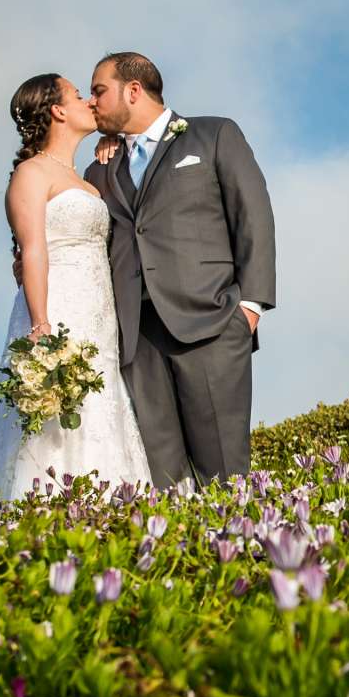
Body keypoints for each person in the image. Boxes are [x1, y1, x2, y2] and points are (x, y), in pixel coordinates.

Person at [82, 51, 277, 488]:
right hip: (136, 339)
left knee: (225, 476)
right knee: (161, 481)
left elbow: (253, 216)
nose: (91, 101)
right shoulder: (99, 169)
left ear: (133, 89)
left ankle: (240, 553)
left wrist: (249, 306)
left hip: (211, 323)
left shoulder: (214, 135)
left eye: (98, 90)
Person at [0, 73, 155, 496]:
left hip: (100, 320)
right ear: (59, 110)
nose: (89, 102)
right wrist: (41, 326)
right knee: (57, 425)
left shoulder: (86, 177)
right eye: (79, 95)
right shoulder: (32, 173)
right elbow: (34, 251)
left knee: (101, 411)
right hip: (59, 314)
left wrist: (110, 144)